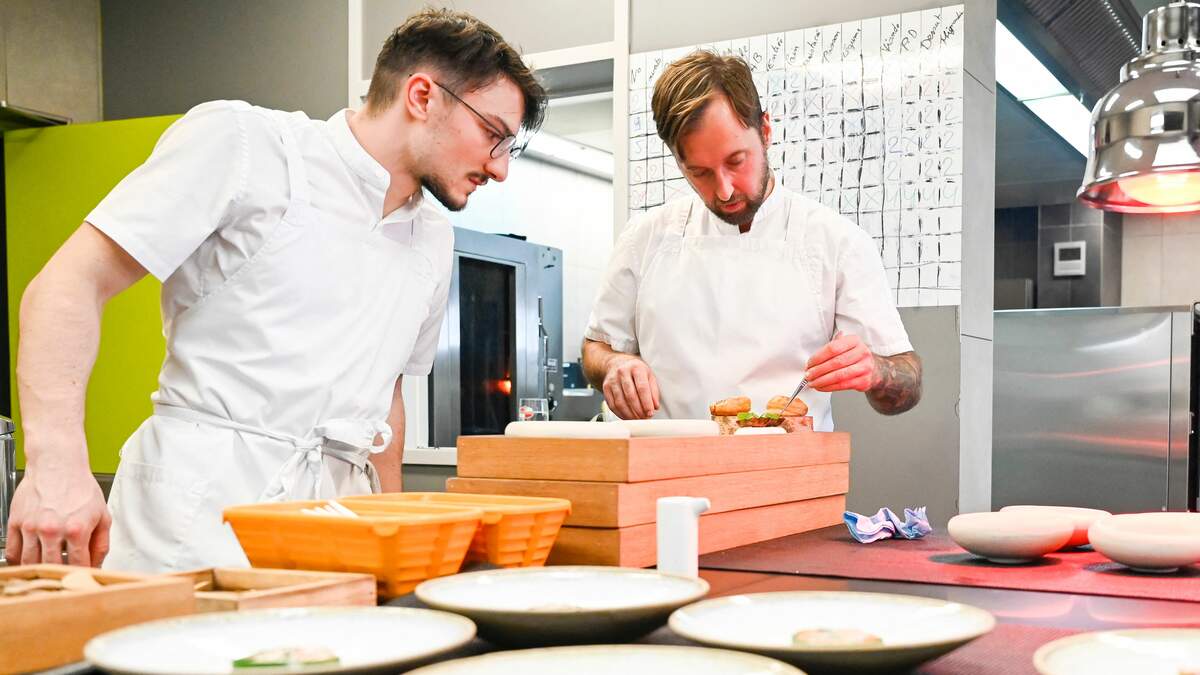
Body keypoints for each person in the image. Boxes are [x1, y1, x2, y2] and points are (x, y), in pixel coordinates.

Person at [6, 8, 546, 571]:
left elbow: (385, 399)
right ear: (421, 96)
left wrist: (395, 539)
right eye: (493, 135)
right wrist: (55, 466)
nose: (500, 168)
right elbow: (68, 283)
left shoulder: (433, 237)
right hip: (196, 519)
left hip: (339, 526)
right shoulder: (248, 145)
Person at [583, 51, 921, 429]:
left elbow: (906, 383)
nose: (724, 190)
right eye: (700, 172)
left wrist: (875, 371)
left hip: (784, 477)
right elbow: (596, 348)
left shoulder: (837, 241)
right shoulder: (644, 237)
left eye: (736, 161)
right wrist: (615, 364)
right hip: (663, 474)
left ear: (765, 130)